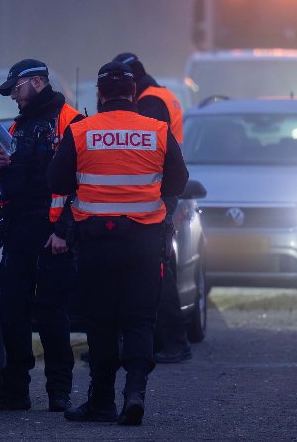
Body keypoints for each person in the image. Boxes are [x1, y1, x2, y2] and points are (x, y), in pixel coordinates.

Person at [49, 61, 187, 426]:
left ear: (99, 94)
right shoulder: (156, 130)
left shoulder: (81, 130)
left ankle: (101, 401)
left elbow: (58, 181)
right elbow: (179, 180)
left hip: (96, 245)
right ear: (132, 92)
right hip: (144, 241)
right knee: (140, 320)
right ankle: (135, 393)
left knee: (102, 322)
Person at [0, 59, 82, 412]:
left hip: (53, 235)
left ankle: (59, 392)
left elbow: (83, 186)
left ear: (37, 82)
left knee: (52, 314)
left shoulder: (71, 122)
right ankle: (15, 392)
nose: (13, 98)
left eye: (16, 90)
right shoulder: (16, 127)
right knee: (13, 313)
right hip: (19, 231)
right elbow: (6, 183)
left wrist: (63, 232)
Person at [114, 52, 192, 364]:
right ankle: (167, 341)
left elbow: (143, 150)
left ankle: (173, 342)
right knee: (158, 268)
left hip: (152, 194)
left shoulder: (149, 104)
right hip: (160, 191)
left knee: (158, 270)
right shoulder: (164, 96)